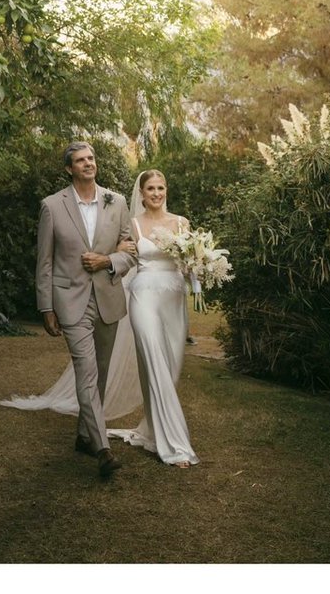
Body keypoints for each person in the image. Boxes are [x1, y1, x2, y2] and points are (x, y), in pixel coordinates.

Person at [15, 141, 137, 478]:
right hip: (71, 302)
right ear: (69, 168)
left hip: (109, 299)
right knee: (86, 370)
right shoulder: (52, 206)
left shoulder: (117, 202)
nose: (88, 164)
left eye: (91, 158)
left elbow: (130, 252)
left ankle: (84, 435)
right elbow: (45, 261)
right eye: (80, 160)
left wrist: (107, 260)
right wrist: (46, 307)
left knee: (100, 370)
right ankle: (103, 450)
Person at [107, 170, 199, 467]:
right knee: (155, 363)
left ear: (166, 190)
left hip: (173, 300)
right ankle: (174, 446)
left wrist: (200, 271)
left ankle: (150, 430)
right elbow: (120, 254)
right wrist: (117, 249)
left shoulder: (182, 223)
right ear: (142, 194)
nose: (156, 193)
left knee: (169, 369)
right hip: (143, 298)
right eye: (150, 188)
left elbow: (190, 263)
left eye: (161, 187)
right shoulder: (133, 224)